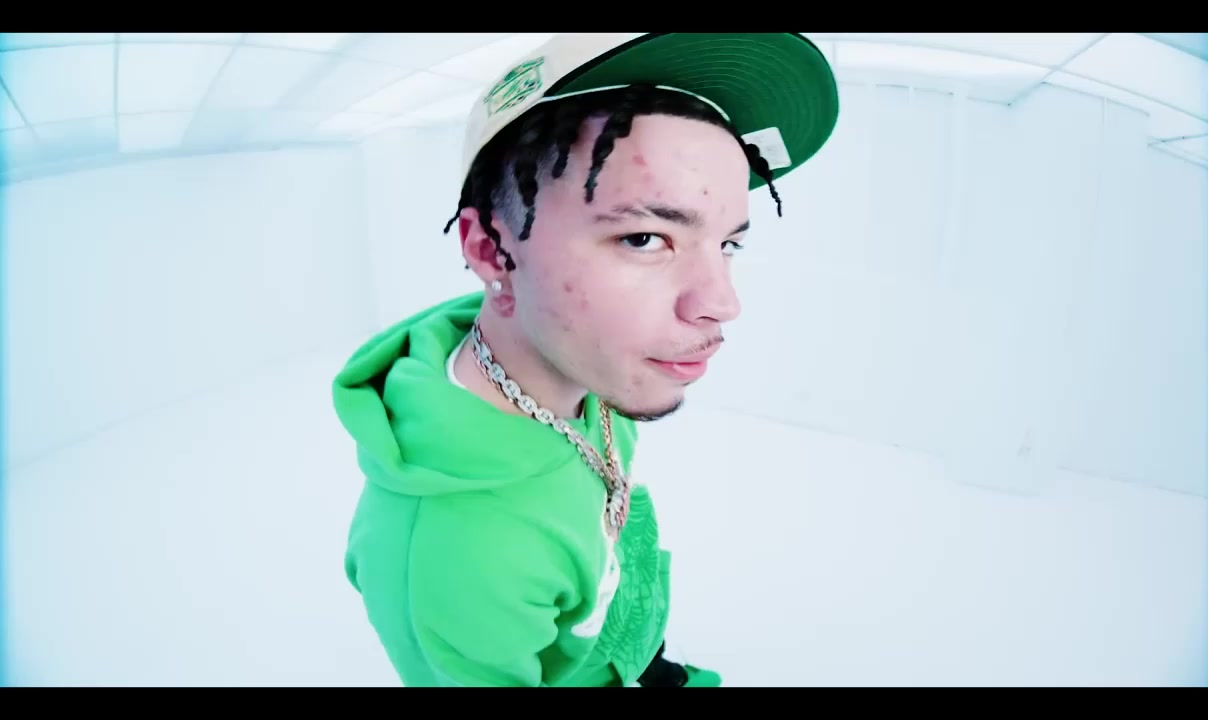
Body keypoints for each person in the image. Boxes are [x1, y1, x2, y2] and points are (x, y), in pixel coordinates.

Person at [332, 32, 839, 687]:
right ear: (490, 250)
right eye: (644, 237)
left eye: (727, 245)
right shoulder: (452, 553)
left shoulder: (584, 364)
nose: (722, 303)